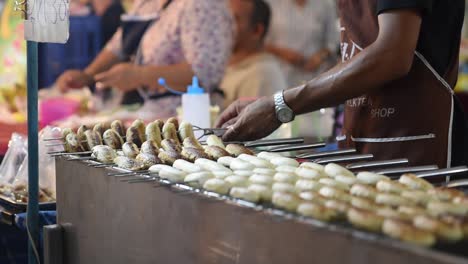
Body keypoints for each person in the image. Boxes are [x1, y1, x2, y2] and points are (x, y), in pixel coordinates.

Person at [217, 0, 468, 168]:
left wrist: (280, 105)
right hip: (361, 138)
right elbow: (357, 62)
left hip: (417, 147)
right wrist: (271, 102)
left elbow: (393, 54)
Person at [56, 0, 233, 118]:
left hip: (179, 122)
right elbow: (118, 45)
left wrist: (140, 76)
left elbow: (205, 74)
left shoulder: (202, 5)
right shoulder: (146, 2)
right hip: (136, 113)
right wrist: (88, 74)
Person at [220, 0, 287, 108]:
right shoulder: (229, 67)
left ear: (257, 31)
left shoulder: (262, 75)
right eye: (224, 18)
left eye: (233, 19)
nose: (223, 26)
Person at [265, 0, 338, 87]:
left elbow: (333, 41)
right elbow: (260, 40)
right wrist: (282, 53)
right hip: (280, 75)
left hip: (316, 76)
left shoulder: (325, 4)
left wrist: (320, 56)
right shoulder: (271, 3)